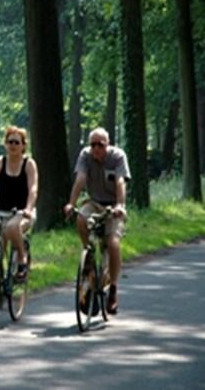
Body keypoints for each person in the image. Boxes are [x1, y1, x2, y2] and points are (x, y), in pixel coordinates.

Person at [63, 127, 131, 314]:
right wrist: (71, 203)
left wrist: (120, 205)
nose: (96, 149)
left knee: (113, 243)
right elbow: (81, 179)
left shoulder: (117, 157)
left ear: (107, 145)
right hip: (93, 202)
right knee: (81, 218)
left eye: (100, 145)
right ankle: (89, 256)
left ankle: (114, 289)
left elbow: (120, 182)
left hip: (112, 205)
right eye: (92, 144)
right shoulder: (85, 156)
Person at [0, 126, 38, 279]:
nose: (13, 146)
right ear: (5, 144)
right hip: (2, 211)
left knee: (11, 227)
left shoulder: (29, 164)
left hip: (23, 212)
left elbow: (33, 189)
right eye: (10, 142)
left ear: (23, 145)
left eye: (17, 142)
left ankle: (22, 259)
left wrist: (29, 209)